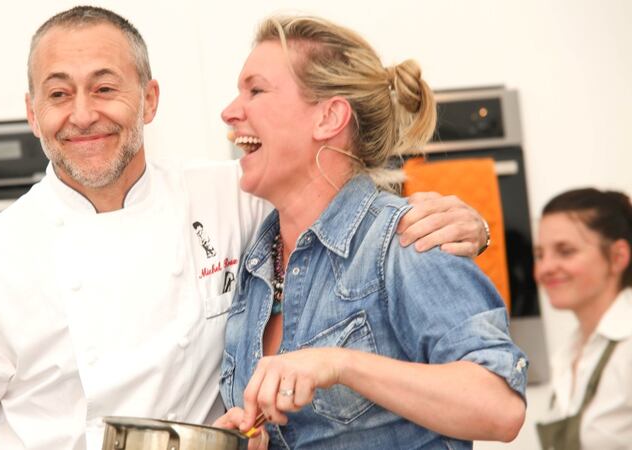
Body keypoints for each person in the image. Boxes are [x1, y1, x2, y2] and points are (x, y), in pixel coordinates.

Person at [0, 7, 489, 450]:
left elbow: (337, 202)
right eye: (58, 94)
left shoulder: (230, 194)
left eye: (105, 88)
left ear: (149, 99)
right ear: (33, 113)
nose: (82, 114)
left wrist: (464, 219)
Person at [214, 15, 527, 449]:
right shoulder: (255, 265)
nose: (230, 111)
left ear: (329, 116)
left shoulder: (405, 239)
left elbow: (499, 407)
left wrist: (341, 364)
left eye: (256, 90)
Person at [534, 188, 632, 450]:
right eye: (540, 255)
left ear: (618, 257)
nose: (545, 268)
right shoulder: (568, 354)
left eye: (565, 251)